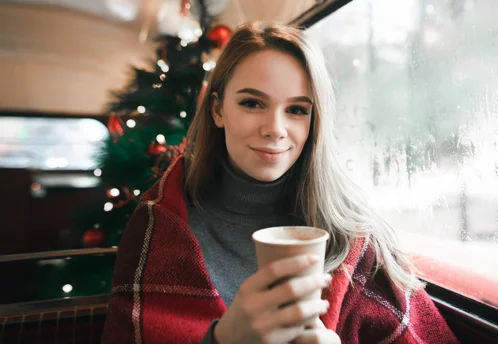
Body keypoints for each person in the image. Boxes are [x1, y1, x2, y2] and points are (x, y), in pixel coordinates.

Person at [101, 22, 459, 344]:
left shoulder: (354, 234)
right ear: (218, 110)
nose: (275, 128)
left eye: (297, 109)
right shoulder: (157, 225)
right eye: (253, 103)